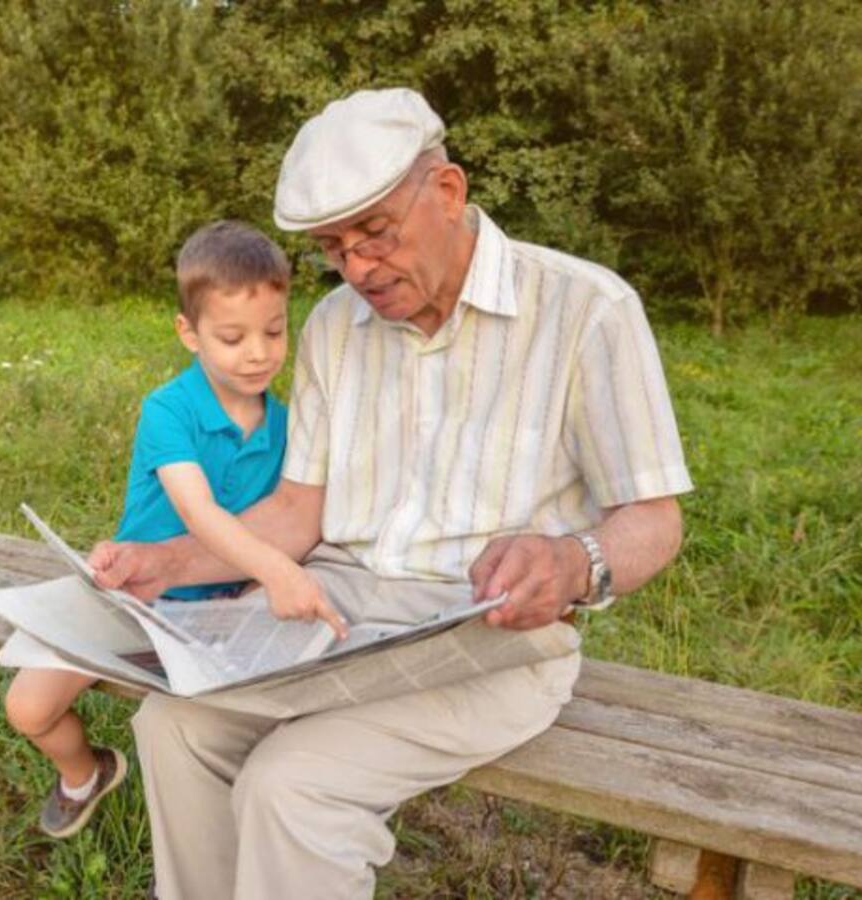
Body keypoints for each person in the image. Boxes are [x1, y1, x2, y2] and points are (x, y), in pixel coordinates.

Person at [91, 88, 693, 898]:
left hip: (488, 639)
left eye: (374, 234)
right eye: (333, 249)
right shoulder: (338, 327)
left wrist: (574, 561)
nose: (358, 268)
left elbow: (654, 518)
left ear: (447, 192)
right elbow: (299, 510)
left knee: (292, 784)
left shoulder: (588, 310)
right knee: (173, 726)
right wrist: (167, 561)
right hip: (334, 612)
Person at [4, 220, 342, 839]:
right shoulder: (168, 409)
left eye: (274, 331)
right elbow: (198, 514)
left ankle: (225, 840)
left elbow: (295, 517)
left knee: (230, 733)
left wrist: (269, 578)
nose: (259, 353)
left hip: (222, 611)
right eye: (233, 337)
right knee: (28, 707)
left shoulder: (291, 426)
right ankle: (87, 773)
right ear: (189, 333)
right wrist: (277, 570)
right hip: (139, 594)